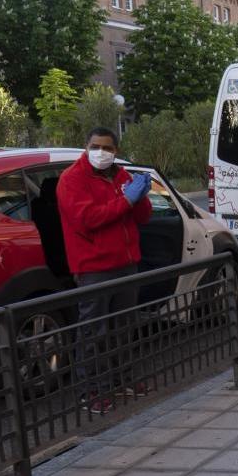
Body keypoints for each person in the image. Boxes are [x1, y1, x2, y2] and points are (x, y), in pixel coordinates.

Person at [57, 127, 153, 414]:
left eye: (107, 148)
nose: (101, 152)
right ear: (86, 146)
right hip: (94, 266)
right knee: (92, 332)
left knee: (123, 327)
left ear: (116, 151)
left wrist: (140, 197)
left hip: (125, 263)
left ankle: (121, 379)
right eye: (96, 146)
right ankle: (90, 390)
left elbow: (143, 217)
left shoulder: (121, 176)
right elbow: (88, 219)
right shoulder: (72, 180)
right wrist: (126, 200)